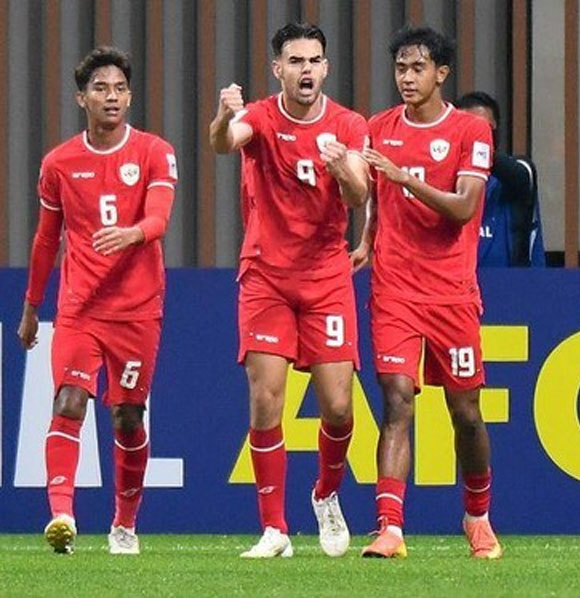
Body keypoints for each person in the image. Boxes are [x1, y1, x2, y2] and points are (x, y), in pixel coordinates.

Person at [209, 23, 370, 559]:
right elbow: (223, 143)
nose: (306, 70)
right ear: (278, 69)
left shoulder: (348, 124)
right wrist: (223, 115)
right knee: (265, 400)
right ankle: (274, 528)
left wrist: (341, 168)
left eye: (314, 60)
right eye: (295, 61)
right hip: (267, 276)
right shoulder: (259, 115)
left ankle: (325, 494)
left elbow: (358, 196)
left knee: (339, 407)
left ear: (326, 68)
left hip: (326, 278)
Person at [17, 46, 179, 555]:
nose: (112, 97)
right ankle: (62, 515)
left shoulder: (154, 151)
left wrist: (133, 234)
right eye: (101, 89)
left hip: (137, 308)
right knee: (68, 401)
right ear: (81, 98)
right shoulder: (59, 163)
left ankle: (124, 524)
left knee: (128, 417)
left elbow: (160, 217)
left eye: (120, 89)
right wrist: (31, 308)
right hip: (80, 308)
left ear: (129, 97)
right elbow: (46, 240)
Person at [352, 26, 502, 559]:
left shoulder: (470, 131)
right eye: (400, 68)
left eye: (418, 68)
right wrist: (367, 240)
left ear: (442, 73)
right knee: (396, 400)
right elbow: (374, 196)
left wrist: (406, 178)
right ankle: (390, 528)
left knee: (466, 411)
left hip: (451, 292)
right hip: (394, 289)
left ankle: (477, 516)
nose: (407, 78)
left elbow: (464, 207)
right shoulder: (378, 127)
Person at [454, 91, 544, 267]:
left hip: (511, 279)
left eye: (482, 129)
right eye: (467, 130)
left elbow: (521, 176)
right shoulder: (444, 174)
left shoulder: (519, 170)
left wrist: (473, 146)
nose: (475, 136)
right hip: (457, 280)